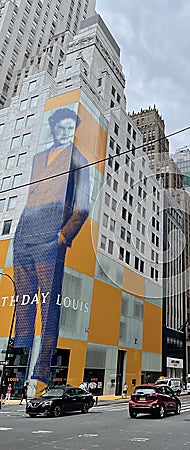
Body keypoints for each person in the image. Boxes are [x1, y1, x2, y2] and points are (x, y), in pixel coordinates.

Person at [13, 107, 89, 392]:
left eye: (71, 127)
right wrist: (19, 234)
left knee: (48, 308)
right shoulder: (37, 159)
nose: (65, 132)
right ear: (54, 128)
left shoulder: (79, 161)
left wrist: (62, 237)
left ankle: (41, 374)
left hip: (51, 236)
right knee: (23, 308)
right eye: (61, 126)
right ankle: (16, 373)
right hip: (25, 235)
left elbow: (83, 207)